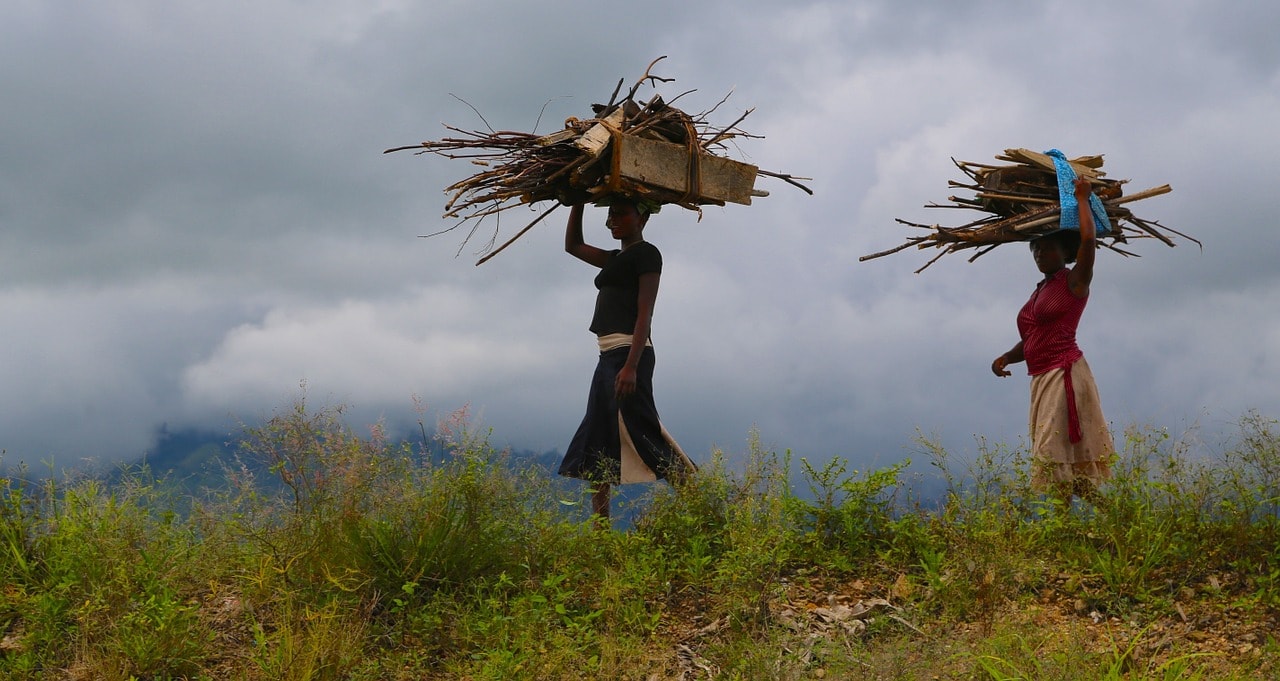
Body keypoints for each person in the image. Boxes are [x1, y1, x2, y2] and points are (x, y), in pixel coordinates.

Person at [559, 198, 694, 522]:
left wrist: (631, 367)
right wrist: (575, 201)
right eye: (609, 214)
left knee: (643, 430)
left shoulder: (647, 254)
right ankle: (600, 531)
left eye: (620, 214)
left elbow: (645, 314)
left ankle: (697, 502)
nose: (611, 221)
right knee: (597, 435)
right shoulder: (615, 258)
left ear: (642, 217)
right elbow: (573, 246)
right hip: (607, 356)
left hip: (629, 354)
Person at [991, 177, 1114, 502]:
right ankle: (1111, 519)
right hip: (1041, 376)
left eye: (1046, 249)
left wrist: (1082, 200)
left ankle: (1060, 528)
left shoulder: (1074, 283)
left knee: (1052, 452)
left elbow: (1089, 242)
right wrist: (1007, 356)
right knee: (1061, 458)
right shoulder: (1041, 289)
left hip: (1065, 373)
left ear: (1065, 252)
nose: (1039, 254)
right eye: (1035, 250)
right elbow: (1033, 336)